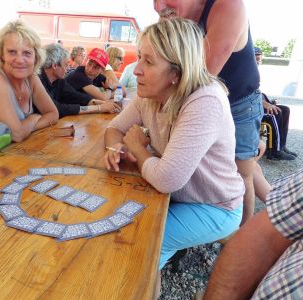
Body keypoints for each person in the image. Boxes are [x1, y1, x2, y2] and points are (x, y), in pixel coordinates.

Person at [103, 19, 244, 295]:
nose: (137, 69)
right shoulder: (150, 93)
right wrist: (114, 148)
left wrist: (139, 148)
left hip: (215, 206)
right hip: (178, 196)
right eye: (139, 56)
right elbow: (113, 128)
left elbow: (167, 179)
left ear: (176, 73)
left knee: (144, 245)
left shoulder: (205, 100)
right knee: (116, 219)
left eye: (148, 61)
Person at [154, 0, 264, 225]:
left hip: (239, 104)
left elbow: (198, 78)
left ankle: (239, 237)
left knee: (242, 175)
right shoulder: (176, 13)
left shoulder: (228, 5)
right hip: (204, 101)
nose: (158, 7)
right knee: (205, 166)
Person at [203, 168, 303, 299]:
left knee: (247, 174)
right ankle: (246, 221)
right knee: (247, 174)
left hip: (226, 209)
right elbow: (264, 238)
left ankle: (245, 221)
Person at [0, 20, 59, 142]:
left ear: (36, 57)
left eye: (27, 53)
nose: (20, 60)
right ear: (2, 55)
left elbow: (53, 114)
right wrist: (34, 118)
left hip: (13, 152)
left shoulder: (31, 78)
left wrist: (25, 127)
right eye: (12, 52)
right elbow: (16, 134)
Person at [39, 43, 120, 117]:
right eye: (66, 64)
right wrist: (99, 108)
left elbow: (77, 96)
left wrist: (103, 104)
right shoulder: (39, 81)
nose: (68, 68)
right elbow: (58, 108)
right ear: (55, 66)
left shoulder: (59, 80)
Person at [254, 47, 296, 160]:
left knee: (285, 109)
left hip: (257, 103)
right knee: (275, 113)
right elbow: (246, 93)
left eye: (259, 59)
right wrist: (264, 103)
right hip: (250, 108)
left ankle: (281, 145)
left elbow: (257, 92)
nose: (257, 61)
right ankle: (275, 151)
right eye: (255, 58)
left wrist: (269, 101)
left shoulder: (253, 71)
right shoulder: (244, 71)